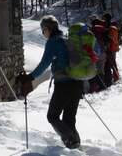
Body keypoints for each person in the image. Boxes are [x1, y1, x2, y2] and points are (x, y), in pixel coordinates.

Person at [18, 15, 83, 149]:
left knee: (52, 116)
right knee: (69, 120)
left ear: (48, 29)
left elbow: (44, 63)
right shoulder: (66, 39)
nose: (43, 33)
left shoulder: (53, 42)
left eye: (43, 30)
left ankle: (71, 141)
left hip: (64, 85)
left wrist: (30, 77)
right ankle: (75, 147)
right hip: (77, 83)